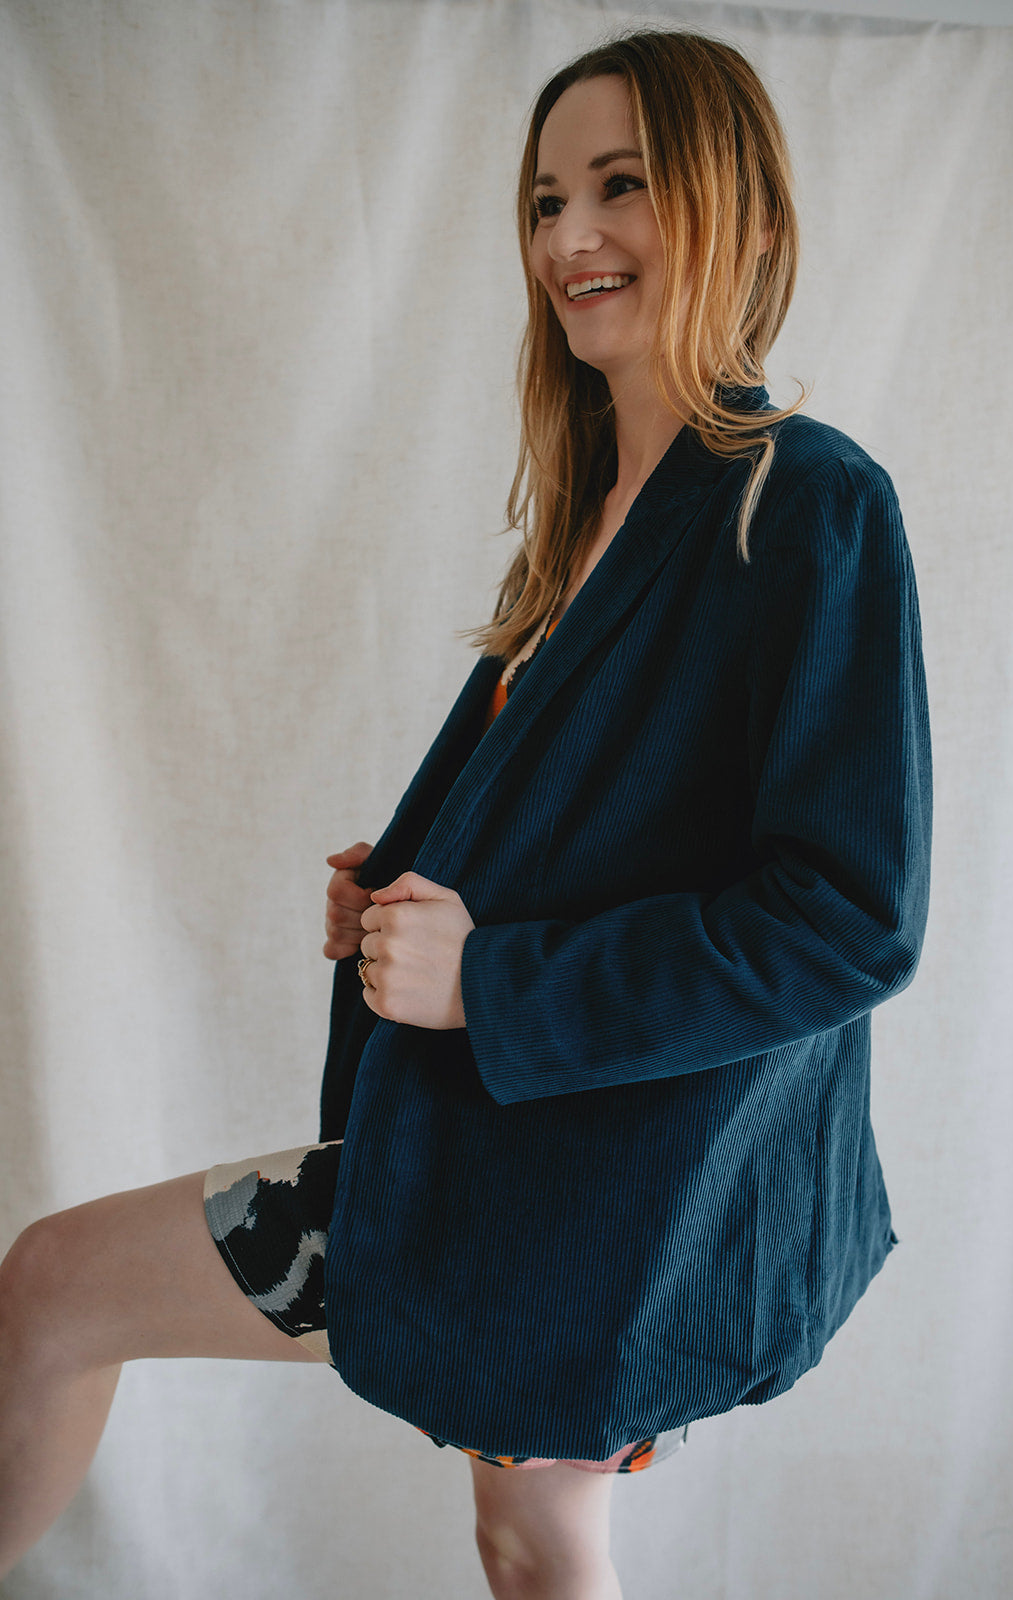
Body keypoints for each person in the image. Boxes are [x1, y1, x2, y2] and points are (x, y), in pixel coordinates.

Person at [0, 26, 932, 1600]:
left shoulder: (804, 501)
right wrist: (407, 896)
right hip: (514, 1164)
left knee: (53, 1287)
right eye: (545, 199)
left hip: (613, 1194)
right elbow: (614, 826)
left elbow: (846, 921)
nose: (570, 238)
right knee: (532, 1545)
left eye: (621, 186)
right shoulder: (587, 516)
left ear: (743, 211)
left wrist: (487, 978)